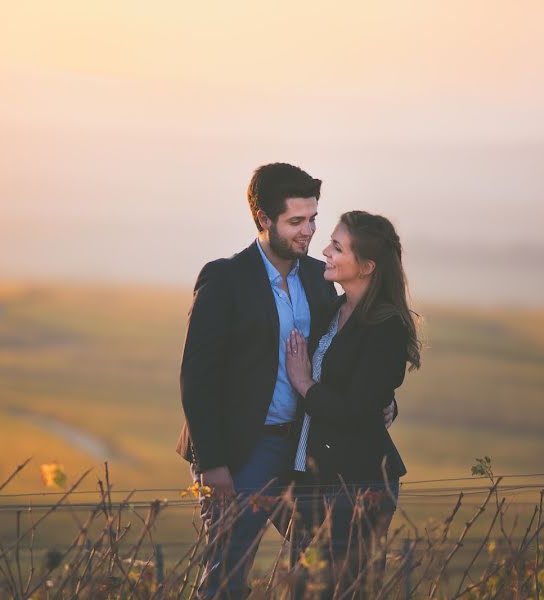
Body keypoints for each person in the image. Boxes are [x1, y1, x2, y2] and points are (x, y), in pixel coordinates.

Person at [175, 162, 337, 599]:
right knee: (227, 573)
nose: (309, 231)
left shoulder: (320, 279)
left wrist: (383, 402)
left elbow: (340, 355)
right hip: (242, 452)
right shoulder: (225, 278)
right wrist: (212, 463)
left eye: (314, 219)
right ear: (264, 219)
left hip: (304, 449)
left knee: (316, 567)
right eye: (296, 221)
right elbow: (197, 374)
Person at [284, 210, 422, 594]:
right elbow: (368, 394)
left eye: (338, 247)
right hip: (313, 477)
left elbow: (356, 409)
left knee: (338, 589)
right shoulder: (332, 308)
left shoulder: (386, 325)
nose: (325, 250)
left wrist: (303, 383)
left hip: (358, 481)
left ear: (367, 266)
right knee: (302, 588)